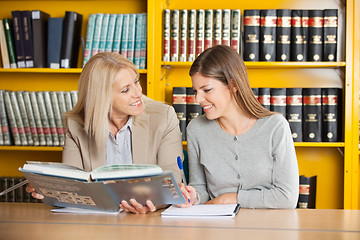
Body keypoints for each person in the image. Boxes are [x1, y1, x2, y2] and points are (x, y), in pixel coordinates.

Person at [27, 52, 184, 214]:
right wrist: (49, 190)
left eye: (136, 82)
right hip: (97, 223)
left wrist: (152, 204)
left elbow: (173, 185)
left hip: (148, 224)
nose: (138, 93)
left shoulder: (164, 117)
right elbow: (73, 187)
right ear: (102, 97)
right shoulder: (76, 125)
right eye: (125, 90)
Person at [179, 45, 299, 209]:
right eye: (195, 91)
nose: (197, 99)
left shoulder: (275, 127)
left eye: (206, 90)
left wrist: (229, 198)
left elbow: (287, 197)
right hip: (217, 229)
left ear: (233, 84)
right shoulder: (196, 129)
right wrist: (194, 196)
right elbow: (200, 187)